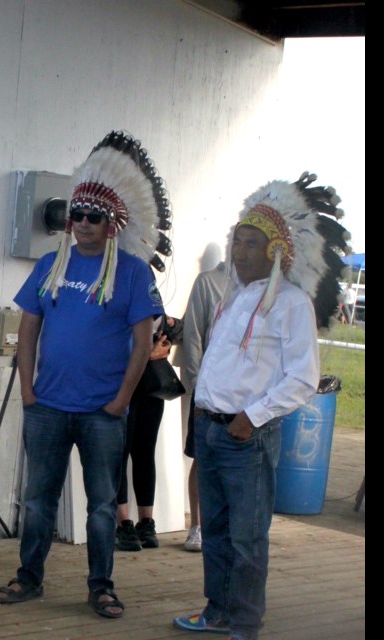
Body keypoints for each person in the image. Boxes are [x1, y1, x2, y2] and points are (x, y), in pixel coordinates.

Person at [0, 131, 172, 620]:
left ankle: (101, 586)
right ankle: (29, 579)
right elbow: (28, 330)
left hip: (102, 413)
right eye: (78, 216)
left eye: (95, 217)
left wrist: (120, 401)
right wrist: (28, 391)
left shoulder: (133, 272)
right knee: (37, 502)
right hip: (47, 407)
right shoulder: (52, 264)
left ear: (111, 224)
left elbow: (143, 342)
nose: (84, 224)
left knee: (100, 507)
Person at [174, 172, 349, 640]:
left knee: (247, 538)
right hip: (211, 429)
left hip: (245, 436)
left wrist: (251, 416)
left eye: (252, 244)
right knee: (214, 530)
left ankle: (245, 624)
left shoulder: (290, 303)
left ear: (276, 251)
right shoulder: (233, 295)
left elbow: (303, 379)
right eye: (238, 241)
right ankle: (218, 612)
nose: (240, 251)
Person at [114, 311, 183, 551]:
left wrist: (168, 333)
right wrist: (147, 352)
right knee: (120, 452)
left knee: (145, 452)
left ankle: (146, 521)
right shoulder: (116, 289)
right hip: (123, 380)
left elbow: (174, 326)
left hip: (151, 382)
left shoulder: (148, 288)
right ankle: (123, 523)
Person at [177, 260, 227, 552]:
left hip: (242, 394)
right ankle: (196, 525)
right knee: (201, 455)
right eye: (240, 242)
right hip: (208, 388)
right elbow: (193, 333)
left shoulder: (260, 287)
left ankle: (223, 526)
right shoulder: (209, 281)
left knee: (235, 459)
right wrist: (196, 384)